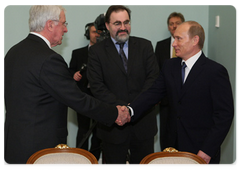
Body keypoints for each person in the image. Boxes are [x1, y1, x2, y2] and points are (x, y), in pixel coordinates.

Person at [2, 3, 130, 165]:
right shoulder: (49, 59)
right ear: (50, 25)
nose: (66, 29)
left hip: (13, 146)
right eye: (63, 24)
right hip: (40, 151)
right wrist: (114, 113)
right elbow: (78, 99)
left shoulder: (12, 53)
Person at [129, 21, 234, 164]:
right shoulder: (169, 66)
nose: (174, 43)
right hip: (172, 146)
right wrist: (130, 110)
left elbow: (224, 115)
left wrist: (207, 150)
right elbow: (153, 94)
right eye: (174, 38)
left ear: (195, 40)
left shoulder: (215, 72)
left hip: (201, 150)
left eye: (179, 38)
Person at [87, 4, 159, 164]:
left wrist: (134, 108)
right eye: (117, 23)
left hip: (143, 123)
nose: (123, 27)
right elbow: (97, 87)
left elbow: (153, 80)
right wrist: (123, 108)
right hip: (113, 126)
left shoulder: (145, 46)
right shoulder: (96, 52)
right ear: (107, 25)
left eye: (126, 22)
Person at [69, 22, 101, 160]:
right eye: (94, 32)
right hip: (82, 97)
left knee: (98, 131)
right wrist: (74, 75)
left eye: (98, 32)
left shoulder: (106, 54)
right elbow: (70, 71)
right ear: (88, 34)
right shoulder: (78, 53)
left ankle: (94, 159)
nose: (96, 35)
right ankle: (80, 159)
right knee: (83, 129)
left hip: (100, 98)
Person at [155, 12, 185, 151]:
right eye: (171, 24)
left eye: (177, 23)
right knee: (165, 132)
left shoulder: (187, 45)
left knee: (182, 131)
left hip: (184, 97)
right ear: (168, 27)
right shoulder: (160, 46)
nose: (174, 26)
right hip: (165, 98)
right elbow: (156, 71)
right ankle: (164, 157)